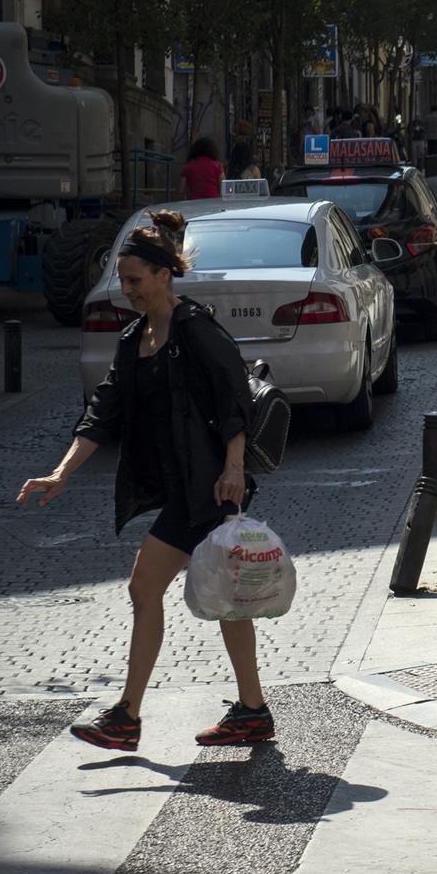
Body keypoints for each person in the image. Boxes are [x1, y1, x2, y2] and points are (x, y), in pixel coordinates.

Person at [19, 211, 270, 752]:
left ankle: (129, 715)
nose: (126, 289)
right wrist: (61, 473)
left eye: (134, 279)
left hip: (208, 485)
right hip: (183, 484)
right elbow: (102, 413)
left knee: (148, 587)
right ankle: (252, 710)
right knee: (226, 598)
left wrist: (232, 466)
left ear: (162, 274)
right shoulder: (134, 339)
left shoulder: (195, 328)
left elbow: (235, 398)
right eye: (122, 279)